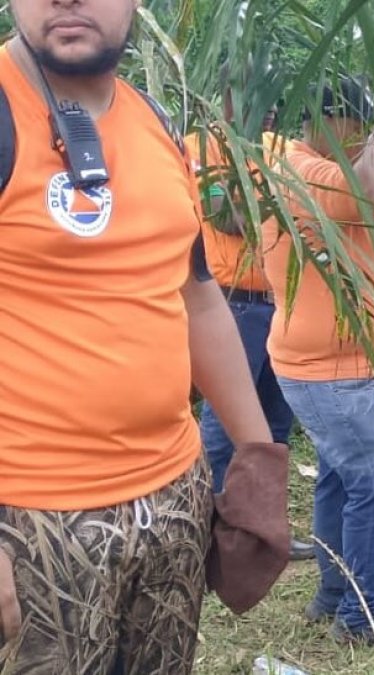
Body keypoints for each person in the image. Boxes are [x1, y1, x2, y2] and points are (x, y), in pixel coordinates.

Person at [0, 1, 281, 670]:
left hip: (176, 497)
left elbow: (197, 294)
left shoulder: (153, 118)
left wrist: (258, 455)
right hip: (35, 518)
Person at [263, 77, 374, 644]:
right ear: (324, 122)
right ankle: (363, 614)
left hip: (343, 364)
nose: (366, 132)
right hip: (329, 370)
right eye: (359, 121)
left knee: (340, 483)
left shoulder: (316, 167)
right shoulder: (301, 168)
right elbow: (369, 182)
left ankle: (335, 592)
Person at [187, 67, 315, 561]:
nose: (266, 109)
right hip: (232, 304)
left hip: (280, 302)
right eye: (253, 97)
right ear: (227, 100)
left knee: (273, 427)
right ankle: (208, 531)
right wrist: (285, 207)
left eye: (270, 100)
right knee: (222, 427)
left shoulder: (276, 148)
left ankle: (263, 532)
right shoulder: (203, 149)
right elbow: (227, 217)